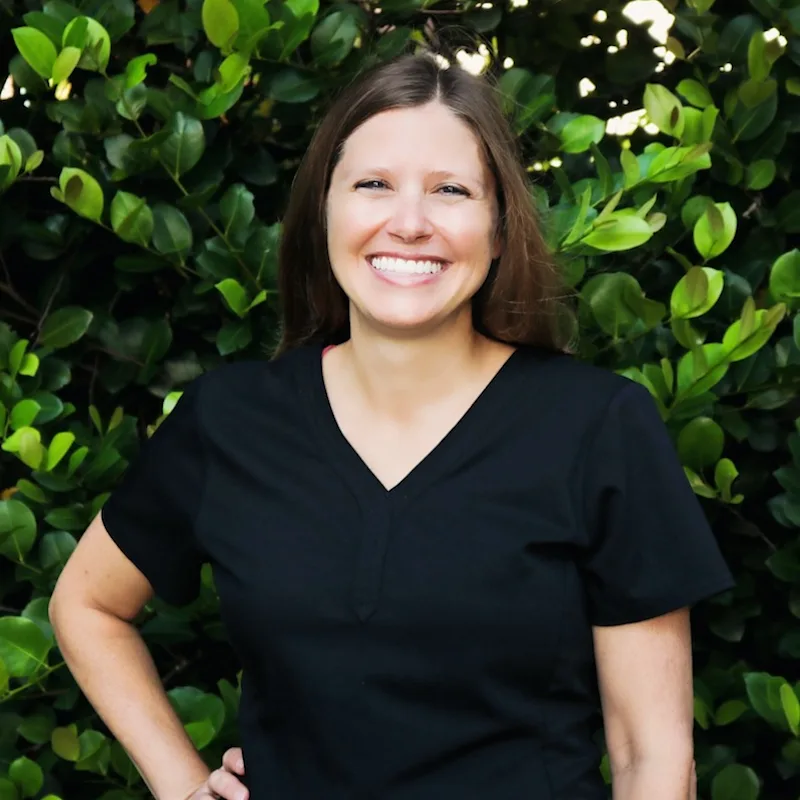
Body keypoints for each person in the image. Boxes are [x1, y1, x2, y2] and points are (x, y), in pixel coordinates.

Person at [49, 51, 735, 800]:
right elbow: (86, 605)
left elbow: (652, 757)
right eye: (373, 185)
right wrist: (182, 786)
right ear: (325, 212)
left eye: (450, 190)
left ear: (499, 229)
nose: (408, 224)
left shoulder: (598, 427)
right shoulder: (230, 421)